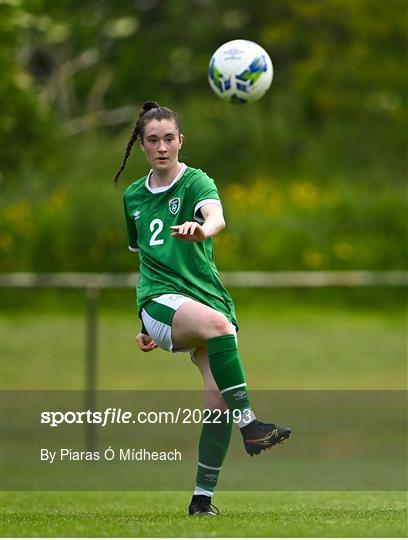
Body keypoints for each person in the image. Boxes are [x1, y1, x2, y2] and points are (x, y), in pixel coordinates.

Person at [114, 101, 292, 516]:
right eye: (153, 140)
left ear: (181, 141)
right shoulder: (134, 196)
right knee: (217, 327)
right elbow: (143, 260)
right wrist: (142, 318)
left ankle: (201, 501)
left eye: (169, 139)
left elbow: (216, 217)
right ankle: (252, 425)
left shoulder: (196, 182)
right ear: (142, 145)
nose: (162, 147)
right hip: (159, 302)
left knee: (217, 399)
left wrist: (202, 228)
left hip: (205, 299)